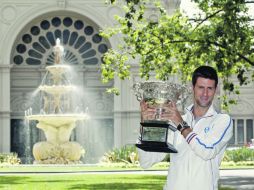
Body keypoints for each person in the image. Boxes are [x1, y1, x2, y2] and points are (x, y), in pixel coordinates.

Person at [137, 65, 233, 190]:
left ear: (216, 90)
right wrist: (146, 125)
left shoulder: (222, 120)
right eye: (201, 87)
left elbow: (207, 151)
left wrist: (181, 124)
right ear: (193, 88)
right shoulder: (175, 121)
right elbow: (146, 161)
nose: (205, 93)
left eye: (210, 88)